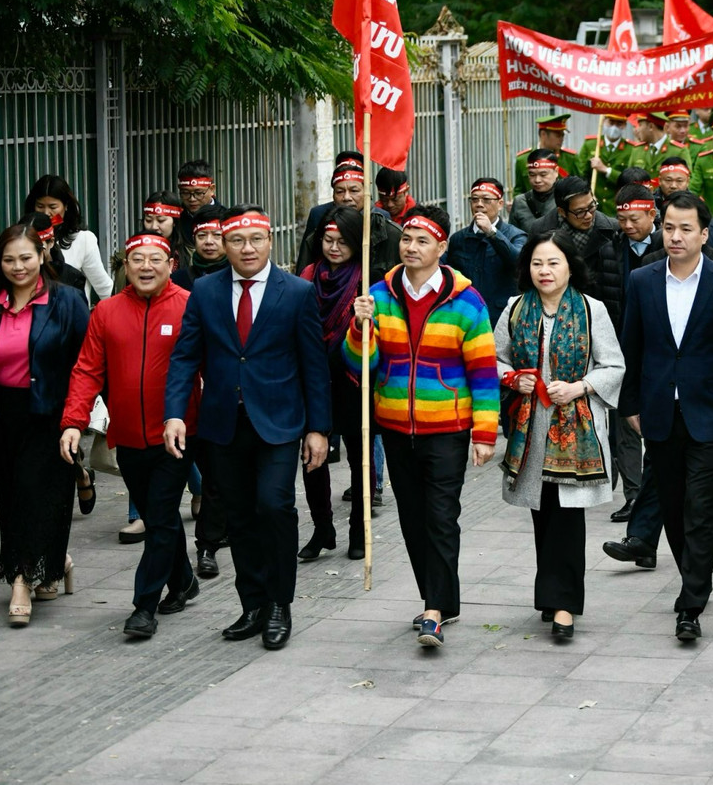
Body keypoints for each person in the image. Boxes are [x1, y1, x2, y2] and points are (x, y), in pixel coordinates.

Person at [163, 205, 332, 651]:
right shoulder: (205, 290)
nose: (247, 248)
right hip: (222, 422)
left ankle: (280, 604)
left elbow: (314, 366)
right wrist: (175, 412)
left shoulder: (295, 292)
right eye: (237, 240)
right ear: (225, 245)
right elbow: (185, 356)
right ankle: (252, 603)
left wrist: (319, 429)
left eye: (255, 239)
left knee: (273, 505)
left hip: (279, 422)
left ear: (270, 241)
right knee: (237, 517)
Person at [348, 206, 498, 647]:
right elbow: (360, 368)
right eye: (407, 238)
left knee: (440, 517)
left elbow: (484, 372)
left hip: (447, 429)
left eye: (422, 241)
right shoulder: (378, 294)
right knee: (413, 519)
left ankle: (433, 609)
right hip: (395, 427)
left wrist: (485, 433)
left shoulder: (466, 301)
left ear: (442, 248)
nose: (411, 247)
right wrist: (360, 329)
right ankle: (440, 601)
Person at [620, 191, 713, 641]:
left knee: (701, 505)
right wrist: (630, 403)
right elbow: (631, 347)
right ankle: (693, 574)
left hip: (710, 412)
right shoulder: (643, 280)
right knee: (672, 504)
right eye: (668, 227)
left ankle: (691, 601)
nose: (674, 236)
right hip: (658, 409)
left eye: (685, 229)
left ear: (703, 234)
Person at [60, 232, 199, 638]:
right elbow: (87, 370)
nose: (145, 267)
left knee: (157, 520)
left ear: (171, 264)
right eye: (137, 259)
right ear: (126, 265)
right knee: (162, 515)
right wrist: (73, 421)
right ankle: (185, 580)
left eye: (155, 259)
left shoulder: (189, 306)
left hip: (176, 436)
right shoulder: (105, 312)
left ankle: (143, 606)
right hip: (129, 438)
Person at [495, 233, 624, 640]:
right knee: (543, 513)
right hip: (530, 430)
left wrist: (579, 386)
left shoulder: (591, 310)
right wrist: (514, 379)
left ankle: (565, 605)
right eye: (537, 263)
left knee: (568, 517)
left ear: (570, 266)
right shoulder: (515, 310)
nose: (544, 271)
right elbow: (493, 360)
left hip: (576, 431)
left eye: (553, 263)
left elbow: (613, 366)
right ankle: (551, 596)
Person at [0, 222, 90, 627]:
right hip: (3, 414)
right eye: (9, 259)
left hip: (51, 413)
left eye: (26, 258)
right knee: (13, 498)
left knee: (34, 493)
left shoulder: (66, 300)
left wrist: (78, 418)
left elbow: (87, 362)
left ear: (42, 256)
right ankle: (56, 561)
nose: (18, 267)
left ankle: (20, 582)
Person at [295, 206, 387, 561]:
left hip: (354, 380)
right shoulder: (306, 275)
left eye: (342, 242)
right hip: (314, 379)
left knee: (360, 458)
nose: (334, 248)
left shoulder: (369, 282)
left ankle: (358, 531)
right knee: (312, 458)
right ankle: (322, 528)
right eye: (328, 240)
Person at [611, 185, 662, 520]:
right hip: (619, 345)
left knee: (655, 427)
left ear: (651, 215)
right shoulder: (610, 248)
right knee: (624, 421)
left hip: (659, 349)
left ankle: (654, 492)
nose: (628, 225)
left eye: (634, 219)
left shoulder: (670, 246)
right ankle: (633, 494)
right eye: (622, 219)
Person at [184, 205, 229, 578]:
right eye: (202, 236)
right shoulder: (185, 281)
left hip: (241, 390)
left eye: (217, 234)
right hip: (198, 391)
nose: (210, 242)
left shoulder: (245, 276)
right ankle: (207, 545)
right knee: (211, 473)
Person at [529, 176, 626, 330]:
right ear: (562, 211)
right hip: (553, 316)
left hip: (599, 318)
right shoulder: (540, 230)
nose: (588, 215)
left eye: (591, 206)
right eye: (580, 212)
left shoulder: (612, 229)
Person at [295, 154, 400, 274]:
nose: (347, 198)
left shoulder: (383, 224)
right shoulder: (320, 218)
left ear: (366, 190)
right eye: (340, 191)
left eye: (354, 191)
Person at [447, 177, 527, 326]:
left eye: (486, 200)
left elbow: (519, 263)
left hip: (502, 317)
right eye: (474, 199)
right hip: (465, 316)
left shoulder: (515, 235)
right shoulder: (458, 238)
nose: (479, 204)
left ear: (500, 203)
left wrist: (492, 233)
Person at [26, 174, 112, 301]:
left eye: (53, 207)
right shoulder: (21, 238)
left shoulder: (83, 240)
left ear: (66, 206)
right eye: (40, 206)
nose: (46, 213)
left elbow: (105, 289)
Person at [111, 191, 194, 293]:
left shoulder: (191, 256)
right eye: (149, 220)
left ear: (174, 222)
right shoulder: (126, 255)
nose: (154, 227)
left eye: (161, 220)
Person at [580, 115, 639, 215]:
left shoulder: (631, 149)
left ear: (624, 125)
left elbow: (630, 180)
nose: (614, 127)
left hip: (616, 208)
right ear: (604, 122)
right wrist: (587, 194)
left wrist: (606, 170)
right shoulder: (590, 144)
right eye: (611, 122)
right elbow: (580, 175)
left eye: (619, 124)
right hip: (592, 207)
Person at [514, 113, 578, 194]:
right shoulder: (523, 159)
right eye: (558, 135)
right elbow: (519, 190)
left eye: (563, 135)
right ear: (543, 134)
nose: (562, 139)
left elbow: (578, 187)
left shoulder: (570, 158)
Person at [510, 150, 566, 231]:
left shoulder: (567, 199)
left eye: (543, 174)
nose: (537, 180)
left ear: (556, 171)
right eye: (532, 174)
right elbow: (513, 238)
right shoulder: (520, 202)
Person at [177, 160, 223, 245]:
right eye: (185, 193)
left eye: (198, 193)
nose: (192, 199)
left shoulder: (227, 218)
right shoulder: (175, 221)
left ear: (212, 189)